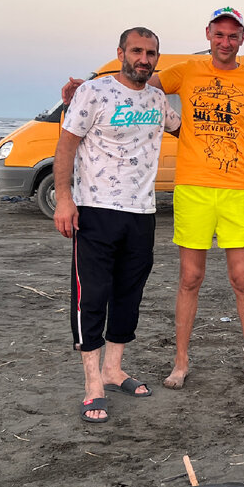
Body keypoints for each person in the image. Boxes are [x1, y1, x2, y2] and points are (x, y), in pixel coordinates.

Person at [63, 7, 244, 393]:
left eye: (233, 36)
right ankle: (178, 364)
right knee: (189, 278)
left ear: (242, 39)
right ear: (209, 35)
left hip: (234, 191)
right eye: (219, 34)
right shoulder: (185, 71)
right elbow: (132, 84)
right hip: (188, 190)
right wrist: (86, 87)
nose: (225, 42)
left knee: (243, 280)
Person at [52, 27, 181, 423]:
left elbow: (188, 129)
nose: (144, 58)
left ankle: (114, 368)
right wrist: (63, 199)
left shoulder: (158, 100)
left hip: (142, 212)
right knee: (92, 295)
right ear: (121, 52)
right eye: (137, 51)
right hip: (95, 209)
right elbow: (66, 146)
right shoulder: (94, 92)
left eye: (152, 53)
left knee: (129, 294)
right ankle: (92, 382)